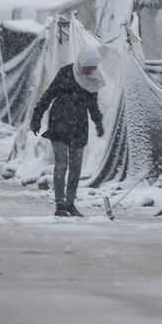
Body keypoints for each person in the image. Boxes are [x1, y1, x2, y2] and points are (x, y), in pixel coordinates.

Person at [30, 47, 105, 217]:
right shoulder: (66, 73)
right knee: (61, 164)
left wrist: (98, 123)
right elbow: (48, 95)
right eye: (88, 67)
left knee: (76, 167)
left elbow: (93, 104)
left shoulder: (93, 80)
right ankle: (60, 204)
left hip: (79, 125)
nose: (90, 71)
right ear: (82, 63)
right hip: (60, 122)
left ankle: (71, 203)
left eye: (93, 68)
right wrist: (36, 118)